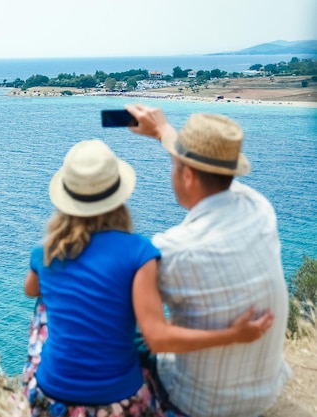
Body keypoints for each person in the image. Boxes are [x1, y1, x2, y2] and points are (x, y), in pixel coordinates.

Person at [21, 139, 273, 417]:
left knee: (44, 305)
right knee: (134, 321)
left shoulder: (45, 252)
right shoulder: (138, 252)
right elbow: (158, 339)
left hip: (50, 400)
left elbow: (31, 290)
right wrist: (234, 335)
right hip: (118, 405)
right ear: (118, 196)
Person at [124, 104, 291, 417]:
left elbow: (156, 339)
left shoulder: (171, 250)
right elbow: (206, 170)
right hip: (268, 391)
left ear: (187, 175)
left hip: (200, 404)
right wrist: (163, 131)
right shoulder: (259, 208)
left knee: (129, 330)